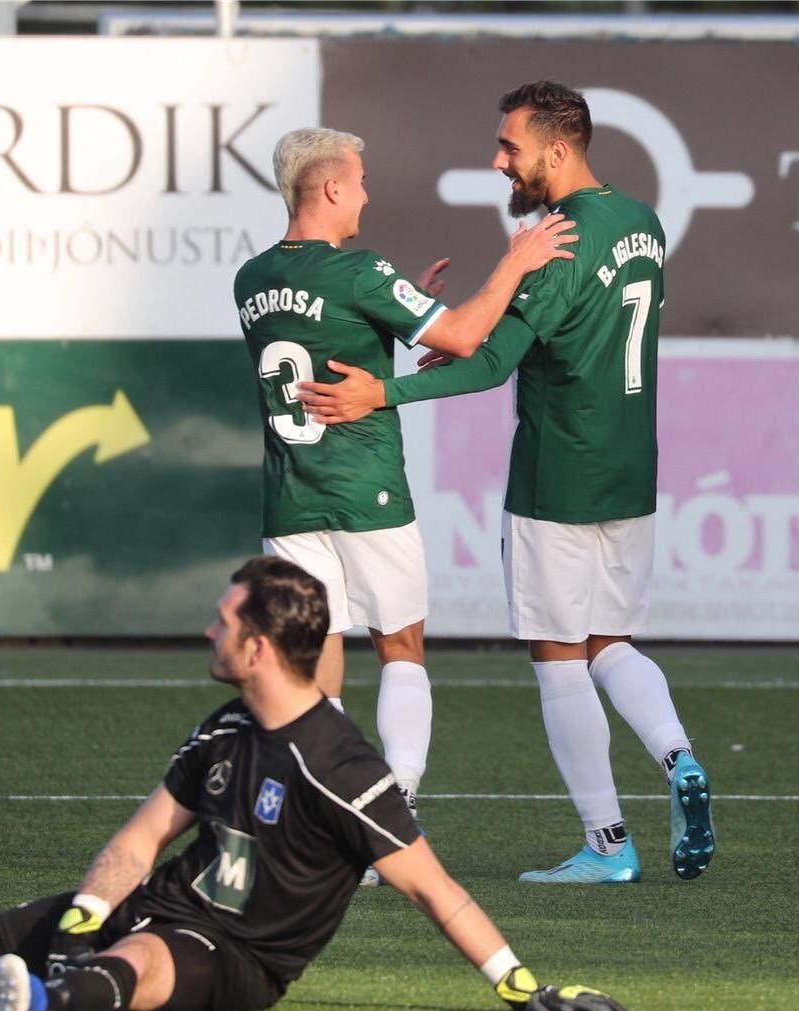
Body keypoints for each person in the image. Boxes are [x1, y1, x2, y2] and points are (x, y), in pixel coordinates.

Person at [0, 556, 627, 1011]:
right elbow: (142, 837)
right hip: (151, 907)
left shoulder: (343, 766)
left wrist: (519, 984)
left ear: (257, 649)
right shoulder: (225, 726)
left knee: (144, 963)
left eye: (223, 622)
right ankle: (50, 990)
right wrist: (83, 918)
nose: (208, 630)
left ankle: (43, 1001)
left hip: (237, 955)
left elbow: (436, 889)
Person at [297, 82, 715, 886]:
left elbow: (494, 364)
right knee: (612, 643)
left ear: (558, 150)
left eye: (510, 147)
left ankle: (608, 841)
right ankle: (680, 757)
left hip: (559, 471)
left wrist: (383, 391)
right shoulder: (644, 222)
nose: (499, 161)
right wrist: (466, 340)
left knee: (559, 658)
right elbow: (564, 334)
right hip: (631, 470)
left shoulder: (554, 241)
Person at [233, 127, 575, 858]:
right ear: (329, 188)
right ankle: (396, 807)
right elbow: (462, 337)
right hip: (366, 491)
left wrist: (394, 310)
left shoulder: (252, 278)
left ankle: (314, 816)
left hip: (291, 494)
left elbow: (326, 331)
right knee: (401, 647)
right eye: (358, 180)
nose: (366, 193)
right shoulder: (359, 271)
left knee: (315, 661)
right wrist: (515, 262)